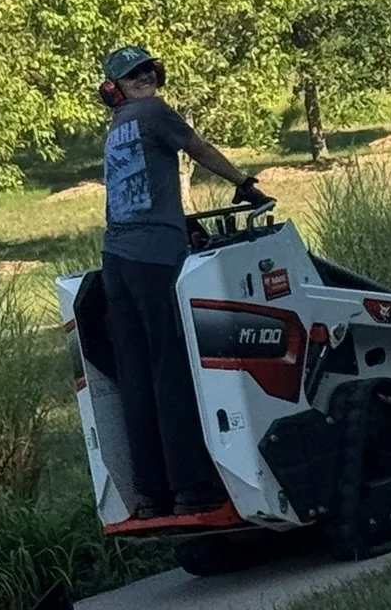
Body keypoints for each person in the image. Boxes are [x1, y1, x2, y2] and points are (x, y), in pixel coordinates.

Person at [96, 43, 271, 518]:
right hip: (154, 259)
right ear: (117, 90)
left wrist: (183, 222)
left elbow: (141, 189)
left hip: (117, 260)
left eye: (148, 70)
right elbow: (200, 149)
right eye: (134, 76)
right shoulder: (153, 113)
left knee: (137, 375)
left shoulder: (114, 131)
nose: (146, 79)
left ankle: (151, 494)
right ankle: (192, 486)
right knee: (171, 368)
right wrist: (244, 184)